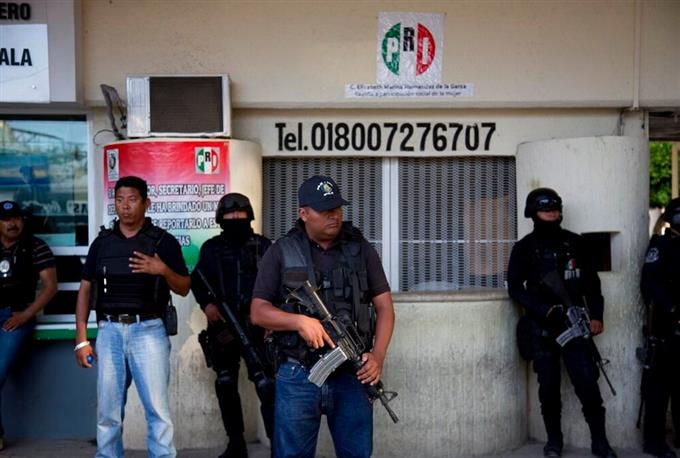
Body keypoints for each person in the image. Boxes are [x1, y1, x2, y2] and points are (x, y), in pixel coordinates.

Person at [250, 175, 395, 458]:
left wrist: (377, 357)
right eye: (325, 210)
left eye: (337, 208)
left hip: (353, 374)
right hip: (297, 373)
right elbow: (258, 311)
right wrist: (299, 322)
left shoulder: (360, 249)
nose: (334, 215)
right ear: (303, 213)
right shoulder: (281, 251)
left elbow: (385, 308)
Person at [74, 176, 190, 458]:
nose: (125, 206)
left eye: (132, 200)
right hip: (109, 331)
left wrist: (162, 270)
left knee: (157, 412)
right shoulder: (102, 244)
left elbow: (184, 287)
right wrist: (81, 340)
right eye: (120, 200)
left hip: (148, 330)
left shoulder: (162, 242)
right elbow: (85, 290)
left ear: (146, 203)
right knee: (108, 413)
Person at [507, 188, 617, 458]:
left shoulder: (575, 243)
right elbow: (515, 288)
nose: (552, 214)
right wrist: (544, 309)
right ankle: (554, 442)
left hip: (574, 326)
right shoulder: (524, 248)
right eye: (546, 210)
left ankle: (600, 442)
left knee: (588, 384)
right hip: (542, 329)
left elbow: (592, 285)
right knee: (548, 388)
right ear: (533, 213)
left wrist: (596, 316)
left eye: (555, 209)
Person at [191, 193, 274, 458]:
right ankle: (236, 444)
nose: (236, 219)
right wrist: (207, 305)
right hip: (223, 327)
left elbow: (278, 283)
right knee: (225, 382)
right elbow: (198, 280)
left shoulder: (263, 246)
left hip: (257, 328)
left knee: (267, 385)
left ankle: (279, 445)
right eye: (230, 215)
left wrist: (271, 317)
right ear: (220, 219)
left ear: (249, 216)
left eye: (241, 214)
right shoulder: (211, 248)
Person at [0, 200, 57, 451]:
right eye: (5, 219)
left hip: (16, 317)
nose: (12, 223)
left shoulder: (36, 246)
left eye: (16, 218)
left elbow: (50, 287)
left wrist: (26, 314)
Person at [640, 197, 680, 458]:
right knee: (658, 389)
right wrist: (673, 309)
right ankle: (654, 442)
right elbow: (650, 284)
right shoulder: (661, 246)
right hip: (666, 329)